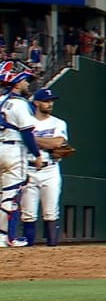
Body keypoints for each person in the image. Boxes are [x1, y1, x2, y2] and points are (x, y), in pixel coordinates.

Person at [0, 63, 44, 247]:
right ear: (16, 83)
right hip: (13, 149)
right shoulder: (19, 104)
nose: (28, 84)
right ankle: (5, 237)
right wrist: (37, 154)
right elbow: (27, 133)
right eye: (25, 80)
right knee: (10, 196)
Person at [18, 88, 67, 246]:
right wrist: (45, 142)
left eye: (51, 100)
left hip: (50, 169)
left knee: (51, 211)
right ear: (36, 103)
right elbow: (50, 142)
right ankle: (28, 252)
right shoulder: (27, 121)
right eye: (46, 101)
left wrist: (30, 138)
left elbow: (57, 143)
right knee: (28, 214)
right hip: (29, 168)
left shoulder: (58, 122)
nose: (50, 104)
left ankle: (52, 250)